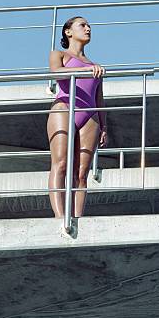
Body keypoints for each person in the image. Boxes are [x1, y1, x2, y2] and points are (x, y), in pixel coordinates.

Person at [47, 16, 107, 218]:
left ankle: (78, 218)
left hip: (90, 115)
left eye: (89, 25)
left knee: (81, 174)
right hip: (64, 108)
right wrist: (86, 70)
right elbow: (57, 73)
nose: (88, 28)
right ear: (68, 31)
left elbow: (99, 98)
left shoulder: (95, 66)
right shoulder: (59, 54)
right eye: (83, 25)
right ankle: (59, 217)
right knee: (61, 164)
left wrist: (104, 126)